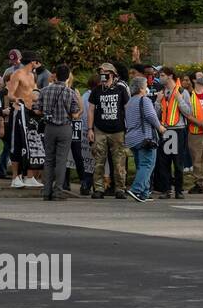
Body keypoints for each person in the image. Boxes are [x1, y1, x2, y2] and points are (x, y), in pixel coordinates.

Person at [35, 63, 82, 201]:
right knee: (61, 161)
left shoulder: (44, 90)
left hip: (49, 128)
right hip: (64, 128)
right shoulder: (70, 92)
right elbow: (74, 114)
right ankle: (58, 192)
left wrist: (48, 113)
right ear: (67, 77)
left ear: (55, 75)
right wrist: (78, 111)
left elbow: (37, 110)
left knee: (48, 159)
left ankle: (46, 191)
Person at [88, 61, 129, 199]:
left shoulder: (120, 89)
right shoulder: (96, 91)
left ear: (112, 74)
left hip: (117, 130)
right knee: (99, 160)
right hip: (100, 129)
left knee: (119, 162)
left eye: (105, 73)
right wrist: (90, 129)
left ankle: (120, 188)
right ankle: (99, 188)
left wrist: (128, 127)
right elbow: (91, 110)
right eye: (101, 73)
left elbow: (127, 108)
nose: (102, 75)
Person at [5, 53, 45, 189]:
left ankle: (29, 176)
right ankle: (15, 177)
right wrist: (16, 100)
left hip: (30, 112)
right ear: (32, 62)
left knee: (30, 143)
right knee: (16, 143)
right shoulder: (17, 74)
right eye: (37, 62)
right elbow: (10, 93)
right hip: (18, 111)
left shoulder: (32, 75)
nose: (38, 64)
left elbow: (32, 92)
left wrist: (39, 98)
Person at [153, 70, 192, 199]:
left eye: (162, 76)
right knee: (164, 162)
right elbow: (156, 115)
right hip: (165, 130)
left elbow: (188, 112)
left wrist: (179, 100)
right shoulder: (162, 92)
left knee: (178, 162)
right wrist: (158, 102)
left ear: (170, 76)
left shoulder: (182, 92)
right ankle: (166, 189)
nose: (160, 78)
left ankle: (179, 190)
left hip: (178, 129)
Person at [124, 76, 164, 202]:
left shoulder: (130, 102)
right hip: (144, 137)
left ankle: (144, 193)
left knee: (140, 165)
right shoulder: (144, 100)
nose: (147, 87)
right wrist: (160, 127)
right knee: (147, 165)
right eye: (146, 85)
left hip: (132, 139)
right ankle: (136, 189)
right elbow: (150, 115)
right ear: (141, 88)